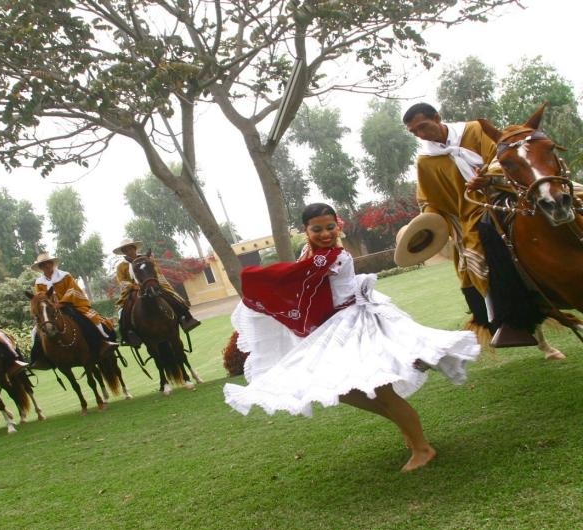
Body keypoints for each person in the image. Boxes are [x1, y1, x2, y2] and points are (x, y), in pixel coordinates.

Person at [223, 203, 480, 472]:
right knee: (342, 390)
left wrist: (256, 280)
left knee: (381, 390)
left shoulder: (334, 257)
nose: (325, 234)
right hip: (337, 326)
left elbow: (294, 277)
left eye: (330, 227)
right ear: (305, 230)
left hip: (356, 325)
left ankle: (422, 448)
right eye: (317, 229)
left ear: (339, 226)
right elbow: (301, 279)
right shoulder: (311, 254)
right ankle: (406, 427)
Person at [401, 102, 540, 347]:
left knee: (564, 197)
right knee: (476, 252)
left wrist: (486, 177)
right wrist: (428, 223)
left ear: (437, 117)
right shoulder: (425, 161)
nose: (421, 135)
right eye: (414, 133)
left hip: (504, 192)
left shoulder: (475, 131)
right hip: (471, 216)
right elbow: (429, 200)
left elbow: (502, 154)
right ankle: (509, 320)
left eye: (423, 127)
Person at [113, 238, 201, 348]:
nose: (128, 251)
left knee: (171, 297)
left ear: (134, 249)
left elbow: (156, 271)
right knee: (122, 310)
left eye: (130, 248)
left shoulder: (146, 259)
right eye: (125, 250)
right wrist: (133, 286)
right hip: (133, 290)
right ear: (123, 252)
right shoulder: (121, 266)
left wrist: (153, 281)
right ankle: (128, 334)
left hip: (150, 284)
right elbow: (121, 281)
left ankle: (185, 318)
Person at [31, 252, 119, 359]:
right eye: (43, 264)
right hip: (50, 312)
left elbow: (72, 291)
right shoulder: (39, 282)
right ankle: (40, 358)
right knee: (35, 332)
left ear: (52, 263)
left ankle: (103, 341)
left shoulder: (65, 276)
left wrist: (61, 303)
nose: (46, 266)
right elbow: (39, 298)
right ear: (41, 267)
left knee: (91, 319)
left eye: (48, 263)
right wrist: (49, 307)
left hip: (69, 306)